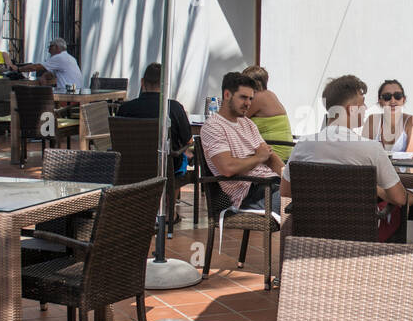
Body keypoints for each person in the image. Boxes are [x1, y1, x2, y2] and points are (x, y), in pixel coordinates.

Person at [280, 74, 409, 210]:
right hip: (358, 229)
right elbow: (400, 198)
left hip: (310, 229)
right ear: (350, 109)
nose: (365, 107)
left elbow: (285, 191)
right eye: (362, 103)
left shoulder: (303, 144)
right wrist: (375, 189)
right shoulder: (371, 148)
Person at [200, 72, 283, 210]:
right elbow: (227, 168)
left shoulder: (248, 123)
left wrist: (289, 178)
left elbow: (268, 157)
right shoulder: (213, 126)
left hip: (271, 184)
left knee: (313, 193)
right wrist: (257, 157)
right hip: (249, 194)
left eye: (251, 98)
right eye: (243, 97)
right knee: (306, 202)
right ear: (227, 95)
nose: (248, 103)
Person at [116, 62, 192, 176]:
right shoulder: (173, 108)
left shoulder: (125, 109)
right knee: (184, 156)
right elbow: (188, 140)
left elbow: (117, 140)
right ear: (165, 84)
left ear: (142, 82)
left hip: (130, 168)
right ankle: (171, 194)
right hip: (166, 169)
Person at [241, 65, 294, 161]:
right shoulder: (269, 94)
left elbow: (236, 119)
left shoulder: (258, 98)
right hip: (281, 149)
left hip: (273, 152)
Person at [362, 79, 413, 153]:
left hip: (404, 164)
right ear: (380, 101)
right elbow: (365, 153)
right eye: (387, 97)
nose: (392, 101)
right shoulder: (372, 120)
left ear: (403, 99)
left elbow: (410, 157)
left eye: (398, 96)